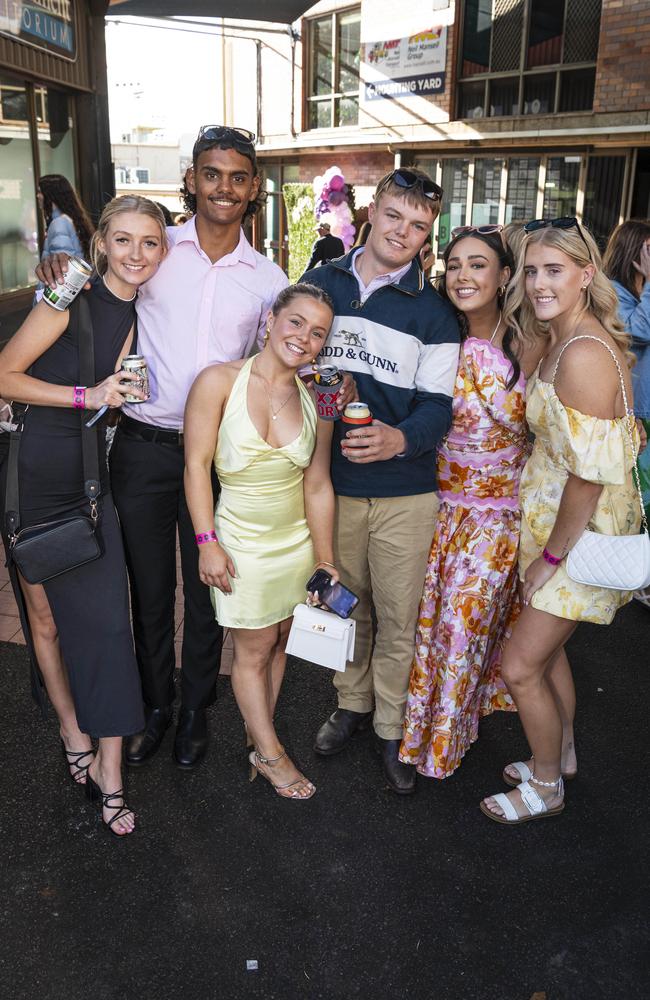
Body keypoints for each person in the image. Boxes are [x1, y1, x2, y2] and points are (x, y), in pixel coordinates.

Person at [36, 125, 288, 772]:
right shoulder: (156, 248)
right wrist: (57, 268)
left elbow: (271, 364)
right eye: (211, 173)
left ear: (252, 187)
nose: (223, 187)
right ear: (191, 180)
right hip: (144, 448)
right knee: (148, 592)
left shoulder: (267, 278)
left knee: (207, 595)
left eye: (236, 176)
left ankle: (197, 713)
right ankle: (156, 707)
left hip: (218, 459)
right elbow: (93, 279)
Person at [0, 195, 168, 836]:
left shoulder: (146, 312)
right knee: (42, 618)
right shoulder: (69, 297)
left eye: (149, 242)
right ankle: (72, 729)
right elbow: (6, 374)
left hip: (93, 480)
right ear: (101, 243)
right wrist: (86, 395)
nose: (135, 254)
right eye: (123, 240)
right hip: (39, 474)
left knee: (104, 626)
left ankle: (111, 769)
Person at [303, 167, 460, 794]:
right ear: (372, 210)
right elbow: (291, 363)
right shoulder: (319, 284)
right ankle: (352, 704)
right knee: (349, 606)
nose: (403, 232)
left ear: (428, 236)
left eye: (419, 226)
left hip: (405, 491)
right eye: (395, 215)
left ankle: (391, 728)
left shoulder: (435, 311)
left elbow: (438, 408)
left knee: (399, 617)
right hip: (332, 486)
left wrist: (400, 438)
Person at [481, 219, 641, 825]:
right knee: (547, 656)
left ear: (585, 274)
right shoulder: (559, 337)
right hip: (551, 526)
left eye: (554, 270)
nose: (540, 282)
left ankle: (546, 786)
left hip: (575, 535)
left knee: (520, 666)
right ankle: (561, 753)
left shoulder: (583, 354)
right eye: (531, 270)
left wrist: (549, 559)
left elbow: (588, 478)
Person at [400, 225, 544, 779]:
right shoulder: (437, 337)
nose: (463, 275)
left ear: (504, 275)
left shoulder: (530, 344)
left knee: (462, 630)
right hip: (438, 507)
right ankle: (417, 738)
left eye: (478, 264)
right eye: (454, 264)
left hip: (499, 519)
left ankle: (440, 749)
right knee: (428, 628)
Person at [184, 283, 337, 799]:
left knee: (278, 642)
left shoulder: (314, 399)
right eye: (296, 322)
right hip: (239, 540)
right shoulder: (218, 381)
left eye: (318, 333)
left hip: (294, 542)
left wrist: (327, 558)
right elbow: (195, 466)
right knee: (251, 648)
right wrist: (207, 540)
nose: (305, 338)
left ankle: (259, 732)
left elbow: (317, 485)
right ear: (271, 320)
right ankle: (271, 755)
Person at [603, 220, 650, 597]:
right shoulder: (614, 292)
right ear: (636, 254)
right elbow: (637, 331)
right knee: (641, 492)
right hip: (637, 410)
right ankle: (634, 576)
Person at [38, 174, 94, 261]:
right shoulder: (68, 219)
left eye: (40, 192)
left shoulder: (59, 223)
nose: (38, 196)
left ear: (51, 194)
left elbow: (62, 268)